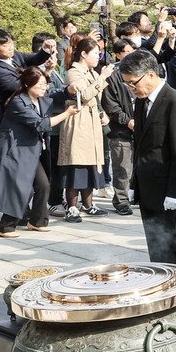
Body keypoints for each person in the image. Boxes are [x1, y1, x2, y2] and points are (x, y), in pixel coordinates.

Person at [118, 49, 176, 265]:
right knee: (157, 249)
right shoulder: (142, 101)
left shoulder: (175, 101)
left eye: (133, 83)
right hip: (148, 188)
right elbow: (140, 147)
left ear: (151, 74)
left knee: (174, 249)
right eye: (127, 84)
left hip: (169, 191)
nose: (131, 89)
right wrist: (134, 184)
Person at [0, 67, 78, 236]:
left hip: (31, 150)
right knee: (22, 188)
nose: (43, 88)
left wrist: (70, 89)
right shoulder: (18, 101)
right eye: (39, 85)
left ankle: (36, 221)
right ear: (27, 84)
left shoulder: (41, 99)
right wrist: (66, 114)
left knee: (43, 185)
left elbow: (57, 94)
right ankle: (4, 227)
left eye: (45, 84)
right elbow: (40, 124)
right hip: (15, 150)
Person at [57, 36, 114, 223]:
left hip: (91, 122)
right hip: (78, 122)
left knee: (90, 164)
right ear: (83, 54)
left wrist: (101, 112)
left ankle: (88, 204)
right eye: (95, 53)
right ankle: (72, 207)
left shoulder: (90, 71)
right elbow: (84, 95)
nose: (98, 57)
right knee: (77, 164)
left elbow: (96, 98)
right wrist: (102, 77)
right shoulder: (74, 72)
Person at [100, 38, 137, 216]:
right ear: (118, 55)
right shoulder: (112, 76)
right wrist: (127, 120)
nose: (131, 55)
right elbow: (110, 106)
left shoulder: (140, 71)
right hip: (120, 129)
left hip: (140, 128)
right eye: (127, 52)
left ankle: (134, 195)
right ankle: (121, 200)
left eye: (133, 51)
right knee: (122, 167)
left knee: (138, 166)